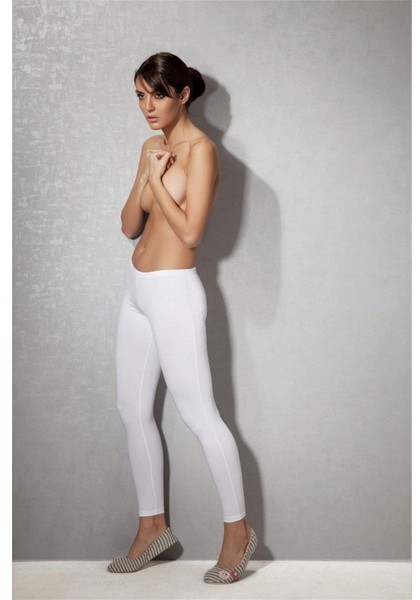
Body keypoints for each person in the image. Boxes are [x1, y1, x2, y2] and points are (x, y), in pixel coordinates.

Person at [107, 52, 257, 584]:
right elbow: (129, 226)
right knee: (131, 409)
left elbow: (191, 233)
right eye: (140, 96)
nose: (148, 107)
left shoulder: (202, 152)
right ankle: (153, 527)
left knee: (200, 414)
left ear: (183, 95)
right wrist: (146, 177)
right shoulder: (151, 146)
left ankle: (238, 533)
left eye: (158, 95)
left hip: (174, 292)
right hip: (137, 289)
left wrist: (158, 180)